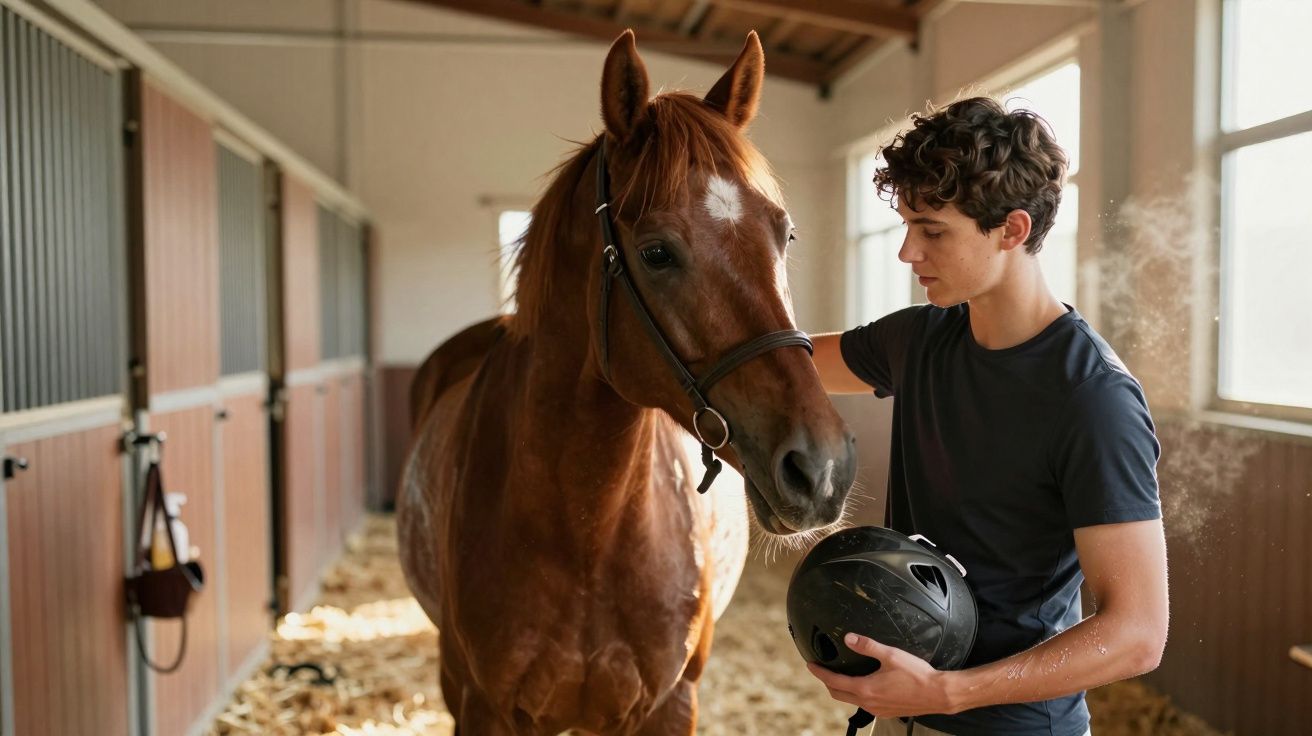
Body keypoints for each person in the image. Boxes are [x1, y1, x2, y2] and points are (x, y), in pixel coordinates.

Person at [806, 97, 1169, 736]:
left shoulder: (1093, 397)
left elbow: (1138, 633)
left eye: (933, 230)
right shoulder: (920, 339)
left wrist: (948, 693)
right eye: (906, 227)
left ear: (1012, 229)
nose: (907, 253)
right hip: (903, 712)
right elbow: (782, 367)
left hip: (1013, 727)